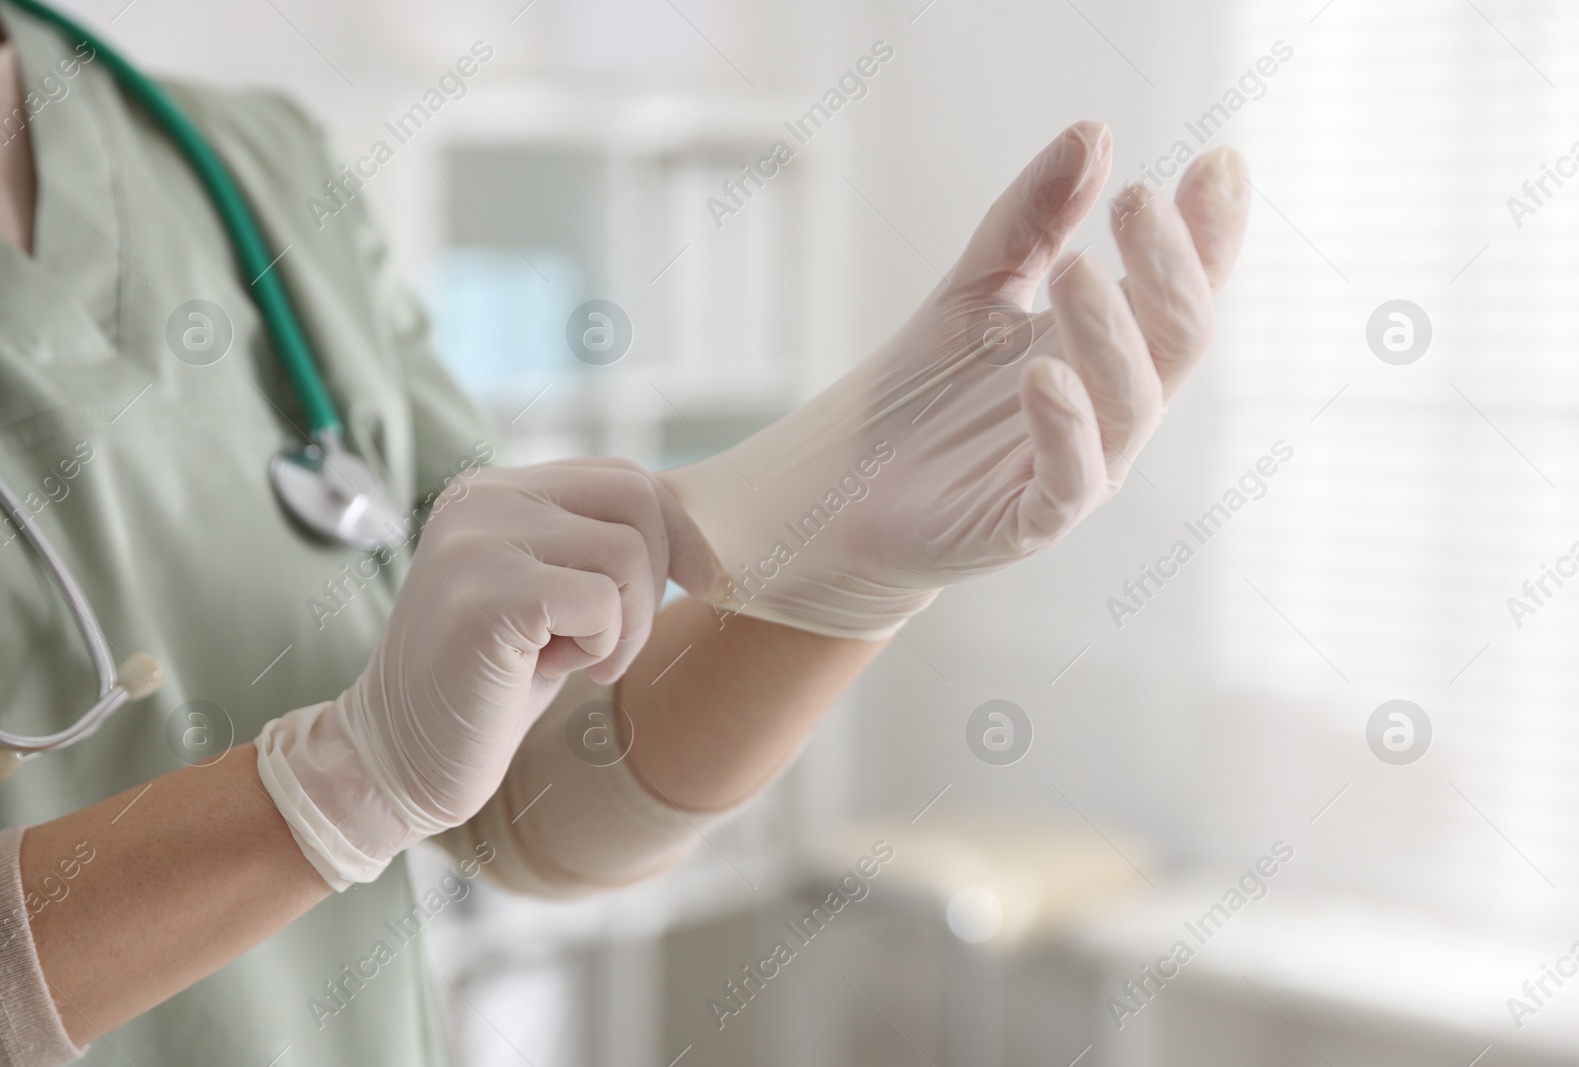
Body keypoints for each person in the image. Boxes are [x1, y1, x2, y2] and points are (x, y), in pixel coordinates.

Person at [0, 2, 1252, 1064]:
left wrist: (837, 577)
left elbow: (529, 801)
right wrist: (346, 780)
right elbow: (399, 772)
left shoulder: (250, 174)